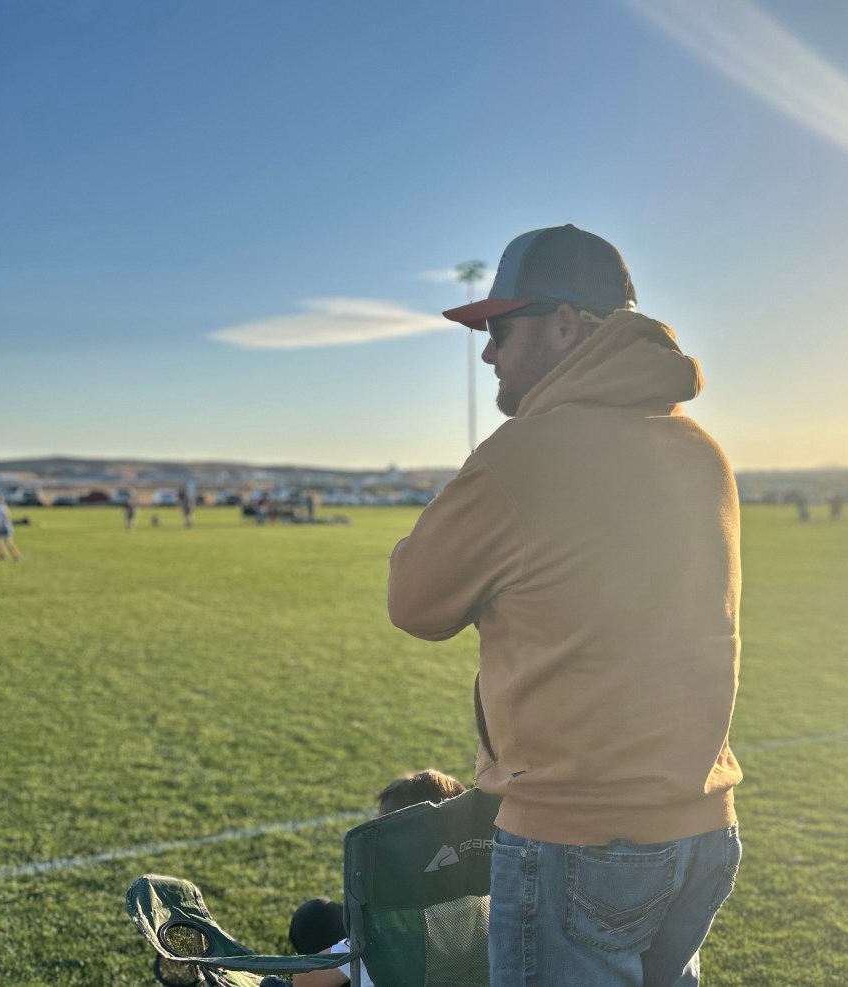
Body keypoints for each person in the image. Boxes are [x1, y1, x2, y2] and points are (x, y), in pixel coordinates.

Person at [387, 225, 743, 987]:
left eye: (498, 328)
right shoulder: (702, 450)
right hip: (702, 824)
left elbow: (414, 600)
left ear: (563, 324)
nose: (488, 353)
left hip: (577, 835)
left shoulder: (524, 453)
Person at [263, 769, 467, 987]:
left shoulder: (393, 922)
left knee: (312, 918)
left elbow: (306, 981)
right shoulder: (482, 896)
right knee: (323, 913)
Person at [0, 495, 22, 561]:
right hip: (4, 527)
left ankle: (16, 555)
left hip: (5, 527)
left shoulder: (1, 507)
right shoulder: (1, 506)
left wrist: (6, 524)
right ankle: (4, 555)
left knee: (7, 543)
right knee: (0, 541)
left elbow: (6, 515)